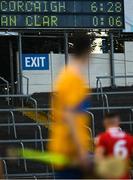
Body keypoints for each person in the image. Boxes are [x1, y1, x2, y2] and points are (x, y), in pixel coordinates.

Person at [47, 33, 94, 179]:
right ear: (88, 51)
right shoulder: (73, 79)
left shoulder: (66, 75)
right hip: (71, 153)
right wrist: (81, 152)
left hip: (67, 151)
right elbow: (69, 116)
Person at [95, 112, 133, 179]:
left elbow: (99, 158)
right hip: (124, 176)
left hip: (109, 176)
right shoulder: (129, 138)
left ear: (105, 122)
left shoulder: (102, 137)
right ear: (118, 122)